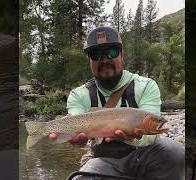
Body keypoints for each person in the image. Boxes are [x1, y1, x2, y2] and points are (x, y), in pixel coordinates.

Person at [49, 26, 185, 180]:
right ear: (89, 59)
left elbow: (151, 136)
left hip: (145, 155)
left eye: (112, 52)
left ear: (122, 54)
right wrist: (71, 135)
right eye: (96, 54)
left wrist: (132, 137)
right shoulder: (78, 95)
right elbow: (75, 118)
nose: (105, 59)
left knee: (176, 152)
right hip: (104, 160)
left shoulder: (146, 85)